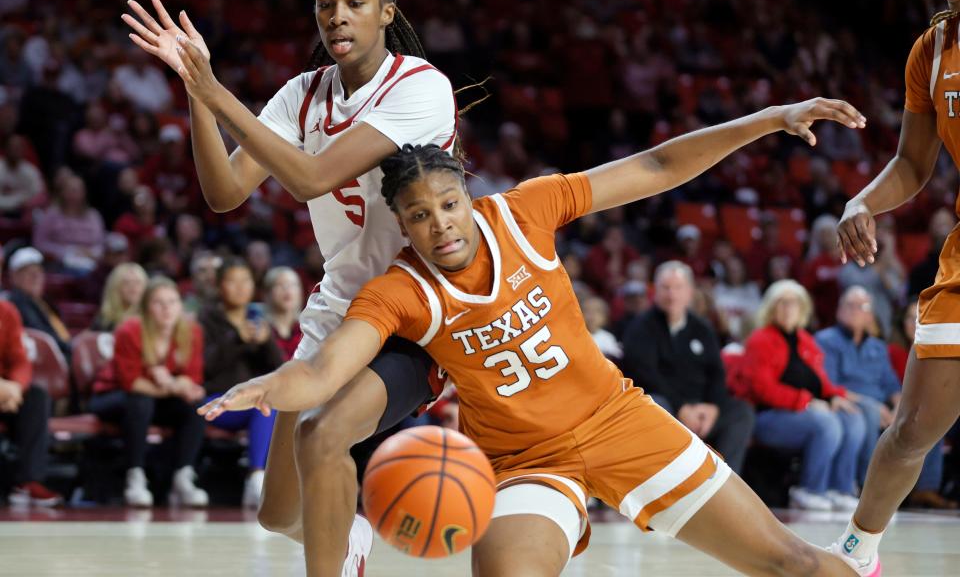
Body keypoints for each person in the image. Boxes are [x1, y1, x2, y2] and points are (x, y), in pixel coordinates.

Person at [205, 96, 867, 577]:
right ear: (402, 228)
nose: (440, 226)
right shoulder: (400, 291)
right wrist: (265, 385)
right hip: (523, 464)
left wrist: (769, 119)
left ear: (467, 193)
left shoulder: (526, 210)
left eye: (447, 204)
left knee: (792, 563)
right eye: (418, 217)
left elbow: (660, 165)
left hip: (619, 420)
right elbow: (322, 374)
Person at [122, 0, 459, 575]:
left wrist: (215, 89)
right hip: (341, 306)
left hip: (418, 309)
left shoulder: (421, 86)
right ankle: (350, 537)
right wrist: (197, 91)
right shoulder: (302, 96)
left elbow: (309, 179)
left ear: (387, 12)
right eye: (325, 5)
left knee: (324, 435)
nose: (337, 16)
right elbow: (224, 194)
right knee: (278, 514)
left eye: (355, 3)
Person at [832, 0, 960, 572]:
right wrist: (863, 201)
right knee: (912, 428)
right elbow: (914, 163)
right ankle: (856, 552)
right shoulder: (932, 51)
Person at [740, 280, 865, 511]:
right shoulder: (760, 339)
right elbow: (762, 388)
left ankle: (840, 488)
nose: (788, 308)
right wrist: (806, 402)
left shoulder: (806, 341)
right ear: (771, 307)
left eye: (794, 303)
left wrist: (835, 396)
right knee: (826, 422)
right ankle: (809, 489)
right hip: (768, 417)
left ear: (802, 308)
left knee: (853, 417)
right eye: (782, 303)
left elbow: (820, 382)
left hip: (804, 413)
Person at [621, 260, 755, 474]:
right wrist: (682, 407)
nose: (671, 294)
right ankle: (665, 482)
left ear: (690, 292)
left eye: (678, 288)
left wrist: (713, 407)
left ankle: (725, 483)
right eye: (665, 288)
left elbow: (716, 373)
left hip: (701, 408)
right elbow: (644, 375)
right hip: (667, 407)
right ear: (655, 292)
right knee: (655, 405)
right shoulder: (640, 328)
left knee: (741, 412)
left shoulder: (702, 328)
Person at [88, 277, 207, 507]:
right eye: (158, 303)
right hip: (111, 396)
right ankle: (135, 476)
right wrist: (173, 385)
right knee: (140, 402)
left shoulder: (191, 331)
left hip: (155, 399)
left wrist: (175, 383)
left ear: (180, 306)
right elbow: (130, 382)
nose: (166, 309)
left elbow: (193, 379)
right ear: (145, 307)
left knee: (193, 407)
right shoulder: (130, 330)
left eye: (172, 302)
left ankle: (183, 476)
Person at [198, 257, 283, 508]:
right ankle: (256, 478)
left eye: (245, 281)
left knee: (267, 404)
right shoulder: (206, 318)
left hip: (252, 399)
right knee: (261, 405)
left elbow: (279, 367)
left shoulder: (258, 317)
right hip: (216, 399)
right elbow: (206, 366)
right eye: (232, 281)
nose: (239, 287)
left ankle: (261, 479)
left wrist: (266, 341)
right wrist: (236, 339)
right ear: (219, 285)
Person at [816, 287, 901, 486]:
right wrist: (872, 405)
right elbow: (829, 384)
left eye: (862, 306)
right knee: (870, 413)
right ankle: (867, 486)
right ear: (838, 311)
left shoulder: (878, 347)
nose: (855, 310)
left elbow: (892, 386)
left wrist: (898, 410)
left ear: (870, 316)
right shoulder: (825, 340)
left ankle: (919, 489)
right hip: (847, 403)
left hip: (881, 408)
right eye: (849, 305)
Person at [0, 247, 61, 506]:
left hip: (5, 394)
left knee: (36, 396)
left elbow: (20, 359)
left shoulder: (7, 311)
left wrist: (15, 387)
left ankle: (29, 481)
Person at [886, 298, 957, 509]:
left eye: (920, 316)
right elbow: (886, 382)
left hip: (926, 406)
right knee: (927, 422)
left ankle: (927, 490)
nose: (915, 321)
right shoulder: (892, 351)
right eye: (909, 317)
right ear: (902, 323)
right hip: (896, 406)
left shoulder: (939, 352)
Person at [4, 247, 72, 359]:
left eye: (39, 272)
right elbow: (41, 333)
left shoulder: (43, 301)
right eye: (29, 273)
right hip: (47, 359)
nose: (36, 277)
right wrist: (70, 348)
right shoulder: (17, 302)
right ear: (14, 277)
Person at [91, 262, 148, 332]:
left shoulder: (151, 317)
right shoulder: (103, 321)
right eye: (126, 282)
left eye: (138, 282)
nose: (133, 287)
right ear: (115, 287)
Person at [263, 266, 304, 360]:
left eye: (292, 285)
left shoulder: (308, 328)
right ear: (267, 293)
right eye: (279, 285)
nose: (287, 289)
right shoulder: (261, 329)